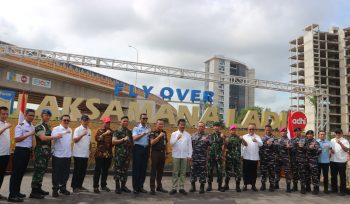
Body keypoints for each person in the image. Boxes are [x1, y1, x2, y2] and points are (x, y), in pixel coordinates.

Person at [30, 109, 61, 199]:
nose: (47, 117)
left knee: (42, 171)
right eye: (45, 115)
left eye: (48, 115)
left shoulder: (47, 126)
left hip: (46, 153)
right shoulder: (39, 126)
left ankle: (39, 188)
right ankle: (34, 192)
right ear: (42, 116)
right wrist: (56, 136)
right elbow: (43, 138)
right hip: (40, 152)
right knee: (38, 171)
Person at [169, 119, 192, 195]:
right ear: (178, 125)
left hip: (184, 156)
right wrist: (177, 138)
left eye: (183, 124)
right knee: (175, 172)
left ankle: (181, 187)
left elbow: (190, 146)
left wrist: (189, 155)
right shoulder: (174, 134)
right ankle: (174, 188)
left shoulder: (188, 135)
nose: (182, 126)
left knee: (183, 172)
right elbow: (171, 143)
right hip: (176, 155)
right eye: (181, 124)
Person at [51, 115, 73, 197]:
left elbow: (69, 142)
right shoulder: (56, 129)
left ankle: (63, 188)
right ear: (61, 120)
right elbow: (55, 137)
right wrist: (65, 132)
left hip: (67, 155)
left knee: (65, 174)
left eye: (68, 120)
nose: (66, 122)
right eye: (65, 120)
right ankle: (55, 189)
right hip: (58, 155)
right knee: (56, 174)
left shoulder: (70, 129)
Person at [112, 116, 133, 194]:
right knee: (118, 170)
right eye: (124, 121)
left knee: (125, 171)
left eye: (127, 121)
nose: (125, 122)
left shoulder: (129, 132)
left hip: (127, 155)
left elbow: (131, 143)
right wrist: (123, 139)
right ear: (120, 122)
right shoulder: (117, 131)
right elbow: (113, 142)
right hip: (119, 155)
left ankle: (123, 186)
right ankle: (117, 187)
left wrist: (129, 142)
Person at [71, 115, 91, 193]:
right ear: (81, 121)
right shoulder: (78, 129)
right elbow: (75, 140)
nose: (86, 121)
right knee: (77, 171)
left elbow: (89, 141)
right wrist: (82, 134)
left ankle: (80, 185)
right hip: (78, 154)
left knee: (83, 171)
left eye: (87, 120)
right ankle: (74, 187)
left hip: (85, 154)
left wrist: (90, 151)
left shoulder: (89, 130)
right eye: (84, 120)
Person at [132, 113, 151, 194]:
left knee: (143, 169)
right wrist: (144, 133)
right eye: (143, 118)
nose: (145, 120)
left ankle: (141, 186)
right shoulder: (136, 128)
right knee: (137, 168)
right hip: (138, 148)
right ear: (140, 119)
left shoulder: (148, 128)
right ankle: (135, 188)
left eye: (146, 118)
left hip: (145, 149)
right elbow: (134, 139)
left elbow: (150, 139)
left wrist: (149, 135)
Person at [93, 116, 113, 193]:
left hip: (108, 154)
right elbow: (97, 139)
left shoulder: (111, 131)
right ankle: (95, 187)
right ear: (103, 123)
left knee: (105, 171)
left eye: (109, 122)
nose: (108, 124)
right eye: (106, 122)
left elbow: (112, 143)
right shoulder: (99, 130)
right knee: (97, 170)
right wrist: (104, 134)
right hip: (100, 154)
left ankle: (103, 185)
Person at [223, 124, 246, 192]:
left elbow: (246, 144)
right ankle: (226, 185)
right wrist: (225, 143)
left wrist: (243, 139)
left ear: (236, 130)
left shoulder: (239, 138)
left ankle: (237, 186)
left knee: (237, 173)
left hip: (237, 158)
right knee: (227, 172)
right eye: (232, 129)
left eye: (234, 129)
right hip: (229, 158)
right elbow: (224, 148)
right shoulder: (227, 138)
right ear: (229, 130)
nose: (233, 131)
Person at [149, 119, 168, 195]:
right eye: (159, 124)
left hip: (162, 153)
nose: (161, 125)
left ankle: (159, 187)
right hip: (155, 153)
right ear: (156, 125)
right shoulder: (152, 133)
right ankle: (152, 188)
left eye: (162, 124)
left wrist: (166, 153)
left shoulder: (165, 133)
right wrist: (159, 137)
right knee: (153, 171)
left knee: (160, 171)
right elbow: (152, 142)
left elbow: (165, 143)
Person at [190, 122, 210, 194]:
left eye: (202, 126)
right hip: (194, 157)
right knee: (193, 172)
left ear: (204, 128)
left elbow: (211, 143)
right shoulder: (193, 135)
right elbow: (190, 147)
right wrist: (190, 156)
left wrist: (207, 141)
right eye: (199, 126)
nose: (200, 127)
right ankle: (193, 186)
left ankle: (202, 187)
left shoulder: (207, 135)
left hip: (203, 158)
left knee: (203, 173)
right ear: (197, 127)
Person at [241, 123, 262, 191]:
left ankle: (253, 185)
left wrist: (257, 140)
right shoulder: (244, 136)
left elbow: (261, 144)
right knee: (245, 172)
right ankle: (245, 185)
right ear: (247, 129)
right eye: (250, 129)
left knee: (253, 173)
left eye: (253, 129)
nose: (251, 130)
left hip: (254, 157)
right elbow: (241, 146)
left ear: (254, 129)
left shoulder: (257, 136)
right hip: (246, 157)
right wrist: (241, 155)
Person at [330, 128, 349, 196]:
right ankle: (334, 189)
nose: (337, 134)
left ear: (341, 133)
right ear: (335, 133)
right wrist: (331, 150)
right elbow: (331, 149)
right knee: (333, 176)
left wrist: (340, 143)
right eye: (336, 133)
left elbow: (346, 149)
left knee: (342, 176)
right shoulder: (332, 140)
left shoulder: (345, 141)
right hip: (333, 160)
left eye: (339, 133)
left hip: (341, 161)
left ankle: (342, 190)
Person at [207, 122, 225, 192]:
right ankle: (209, 186)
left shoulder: (222, 135)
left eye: (218, 126)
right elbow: (208, 145)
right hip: (211, 156)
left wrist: (223, 155)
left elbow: (224, 145)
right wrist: (208, 155)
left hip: (219, 156)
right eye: (215, 126)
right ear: (213, 127)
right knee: (210, 170)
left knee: (220, 171)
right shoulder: (210, 135)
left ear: (219, 127)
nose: (216, 127)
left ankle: (220, 186)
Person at [259, 125, 277, 192]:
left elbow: (277, 147)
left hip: (271, 159)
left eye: (269, 130)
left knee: (271, 173)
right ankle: (263, 185)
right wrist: (265, 143)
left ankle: (271, 186)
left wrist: (271, 144)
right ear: (265, 130)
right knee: (263, 172)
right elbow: (260, 147)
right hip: (263, 158)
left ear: (271, 130)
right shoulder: (262, 138)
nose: (268, 131)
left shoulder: (274, 138)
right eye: (266, 130)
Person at [274, 127, 293, 193]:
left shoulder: (289, 140)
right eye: (282, 131)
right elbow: (274, 148)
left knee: (287, 172)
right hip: (278, 158)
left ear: (286, 132)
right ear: (280, 132)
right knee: (277, 171)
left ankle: (288, 187)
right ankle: (276, 184)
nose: (283, 132)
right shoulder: (277, 140)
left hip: (286, 158)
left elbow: (292, 147)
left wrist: (290, 147)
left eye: (285, 131)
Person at [0, 107, 12, 201]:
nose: (5, 116)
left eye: (7, 114)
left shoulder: (5, 124)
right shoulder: (5, 125)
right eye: (3, 114)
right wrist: (6, 127)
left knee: (1, 175)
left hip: (6, 154)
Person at [304, 130, 321, 195]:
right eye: (308, 134)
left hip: (313, 162)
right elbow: (301, 149)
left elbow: (319, 151)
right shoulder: (304, 141)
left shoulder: (315, 142)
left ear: (313, 135)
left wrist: (313, 149)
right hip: (306, 161)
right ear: (306, 135)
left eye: (311, 134)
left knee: (314, 176)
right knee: (307, 175)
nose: (309, 135)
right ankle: (308, 187)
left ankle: (315, 189)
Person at [290, 127, 305, 192]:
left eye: (298, 131)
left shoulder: (304, 139)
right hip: (294, 159)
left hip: (301, 159)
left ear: (300, 132)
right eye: (295, 131)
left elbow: (307, 149)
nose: (297, 132)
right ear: (294, 132)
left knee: (302, 173)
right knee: (294, 173)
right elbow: (290, 149)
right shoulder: (292, 140)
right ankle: (295, 186)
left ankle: (302, 188)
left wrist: (303, 147)